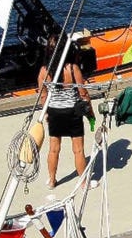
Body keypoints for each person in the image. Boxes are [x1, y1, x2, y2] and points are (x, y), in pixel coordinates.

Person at [38, 50, 93, 189]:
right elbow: (83, 93)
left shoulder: (44, 70)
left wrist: (46, 113)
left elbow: (43, 95)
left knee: (53, 149)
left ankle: (52, 180)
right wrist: (90, 112)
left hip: (54, 112)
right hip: (72, 112)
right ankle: (83, 182)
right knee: (78, 150)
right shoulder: (72, 68)